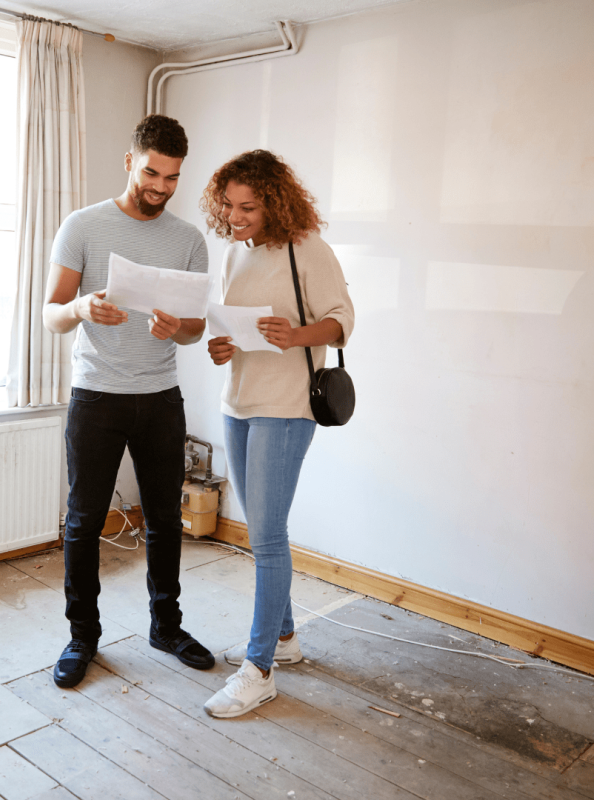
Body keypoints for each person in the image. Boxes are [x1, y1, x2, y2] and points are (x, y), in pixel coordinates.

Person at [43, 115, 215, 689]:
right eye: (151, 172)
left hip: (161, 397)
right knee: (85, 521)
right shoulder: (83, 226)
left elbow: (194, 328)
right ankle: (82, 637)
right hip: (96, 397)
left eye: (172, 177)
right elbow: (51, 314)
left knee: (166, 518)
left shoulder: (188, 240)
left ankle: (166, 626)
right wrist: (82, 309)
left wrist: (179, 330)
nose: (161, 187)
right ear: (129, 161)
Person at [199, 150, 354, 718]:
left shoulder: (307, 249)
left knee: (265, 536)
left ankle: (259, 668)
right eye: (229, 207)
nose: (236, 218)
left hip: (287, 406)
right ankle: (285, 638)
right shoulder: (233, 253)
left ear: (275, 202)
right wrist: (220, 346)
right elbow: (226, 327)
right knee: (259, 527)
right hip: (237, 400)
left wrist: (297, 336)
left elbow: (343, 320)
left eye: (249, 207)